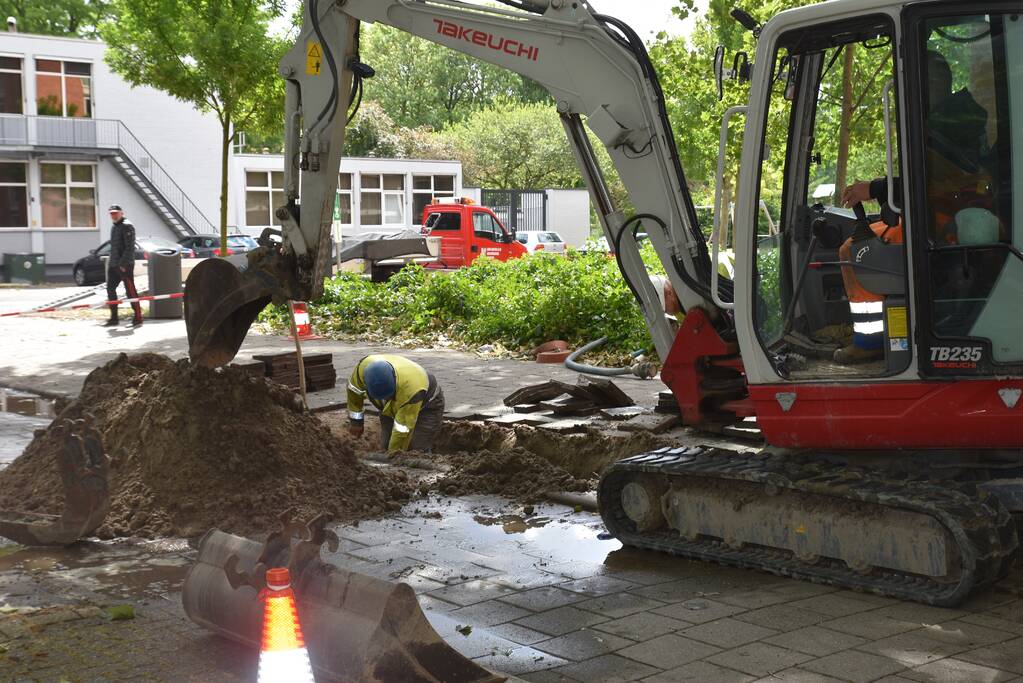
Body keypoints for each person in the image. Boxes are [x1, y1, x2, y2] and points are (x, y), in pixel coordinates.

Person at [834, 50, 989, 364]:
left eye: (925, 81)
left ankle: (869, 341)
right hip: (940, 212)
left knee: (852, 251)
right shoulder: (955, 118)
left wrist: (874, 188)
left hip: (944, 220)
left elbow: (930, 182)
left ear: (937, 84)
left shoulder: (950, 123)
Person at [347, 354, 445, 452]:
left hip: (428, 406)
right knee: (386, 444)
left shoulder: (411, 390)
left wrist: (394, 454)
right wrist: (356, 423)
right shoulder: (361, 371)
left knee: (417, 448)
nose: (385, 399)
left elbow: (402, 430)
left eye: (387, 396)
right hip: (391, 407)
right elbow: (354, 393)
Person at [104, 205, 142, 328]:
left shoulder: (127, 225)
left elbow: (130, 247)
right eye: (111, 213)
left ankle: (138, 317)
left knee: (130, 290)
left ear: (121, 213)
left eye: (115, 213)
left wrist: (123, 264)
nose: (113, 215)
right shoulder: (114, 227)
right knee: (110, 289)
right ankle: (114, 318)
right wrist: (112, 263)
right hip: (113, 264)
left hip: (125, 264)